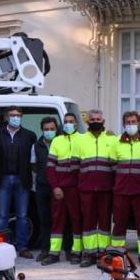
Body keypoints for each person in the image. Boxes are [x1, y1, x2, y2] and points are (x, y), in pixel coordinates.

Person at [112, 111, 140, 267]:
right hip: (121, 192)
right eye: (128, 122)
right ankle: (117, 256)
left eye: (134, 122)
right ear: (124, 124)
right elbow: (111, 167)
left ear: (139, 123)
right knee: (119, 225)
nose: (131, 125)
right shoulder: (116, 142)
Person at [75, 109, 118, 267]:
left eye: (98, 119)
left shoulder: (112, 139)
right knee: (88, 222)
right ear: (88, 121)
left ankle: (105, 253)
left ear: (103, 120)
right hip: (86, 189)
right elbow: (74, 166)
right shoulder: (80, 140)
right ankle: (89, 253)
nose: (95, 121)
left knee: (105, 222)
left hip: (106, 188)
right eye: (92, 119)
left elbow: (115, 165)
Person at [0, 106, 37, 258]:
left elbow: (33, 158)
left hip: (22, 179)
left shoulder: (29, 135)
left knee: (22, 216)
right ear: (6, 117)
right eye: (12, 115)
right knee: (2, 215)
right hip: (3, 178)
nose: (15, 118)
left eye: (18, 115)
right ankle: (0, 246)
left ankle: (22, 247)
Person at [47, 112, 83, 265]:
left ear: (76, 124)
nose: (68, 124)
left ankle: (76, 252)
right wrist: (55, 187)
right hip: (60, 189)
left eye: (71, 121)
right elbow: (50, 167)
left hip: (75, 189)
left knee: (76, 220)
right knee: (57, 221)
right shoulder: (56, 140)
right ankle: (54, 253)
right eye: (66, 121)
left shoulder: (83, 139)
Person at [33, 117, 58, 264]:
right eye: (46, 129)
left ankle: (66, 249)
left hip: (59, 188)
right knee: (44, 220)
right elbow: (33, 166)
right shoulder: (36, 146)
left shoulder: (61, 143)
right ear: (42, 130)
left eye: (52, 129)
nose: (49, 132)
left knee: (61, 219)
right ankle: (45, 249)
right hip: (42, 187)